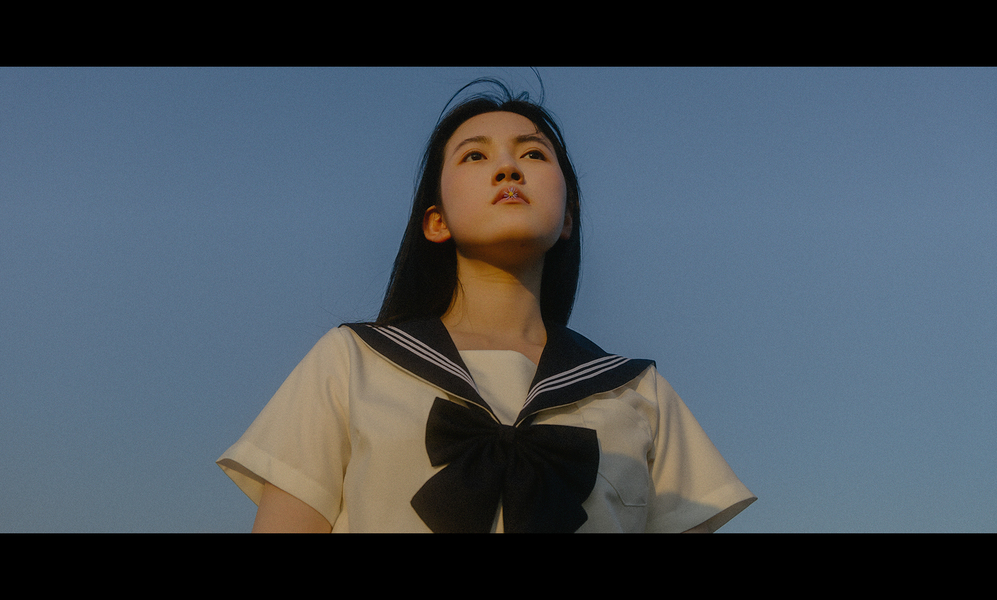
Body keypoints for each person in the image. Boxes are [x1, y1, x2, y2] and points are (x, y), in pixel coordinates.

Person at [217, 78, 756, 533]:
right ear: (437, 221)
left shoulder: (637, 391)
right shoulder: (351, 361)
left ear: (567, 218)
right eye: (475, 155)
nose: (508, 169)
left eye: (533, 154)